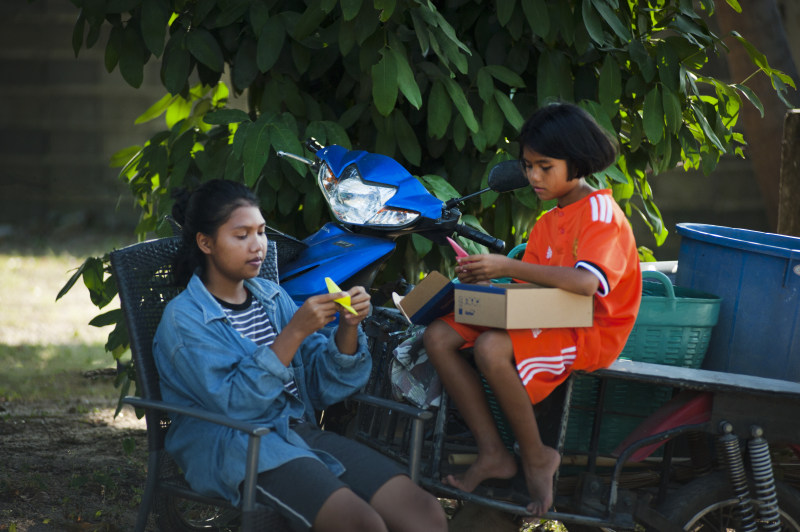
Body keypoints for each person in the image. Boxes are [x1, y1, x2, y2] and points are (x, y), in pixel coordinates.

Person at [153, 179, 447, 532]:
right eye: (241, 235)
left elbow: (324, 386)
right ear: (205, 242)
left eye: (261, 232)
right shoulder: (185, 320)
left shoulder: (270, 297)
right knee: (361, 524)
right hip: (236, 446)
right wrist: (294, 332)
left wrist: (348, 327)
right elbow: (234, 405)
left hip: (297, 432)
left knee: (423, 512)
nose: (258, 245)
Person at [423, 102, 642, 516]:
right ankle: (492, 453)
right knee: (438, 335)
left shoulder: (601, 213)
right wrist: (487, 284)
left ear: (577, 162)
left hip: (589, 328)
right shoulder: (546, 223)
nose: (533, 177)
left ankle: (537, 456)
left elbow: (586, 284)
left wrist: (505, 265)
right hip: (549, 314)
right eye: (527, 166)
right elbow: (529, 293)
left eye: (545, 166)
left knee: (491, 348)